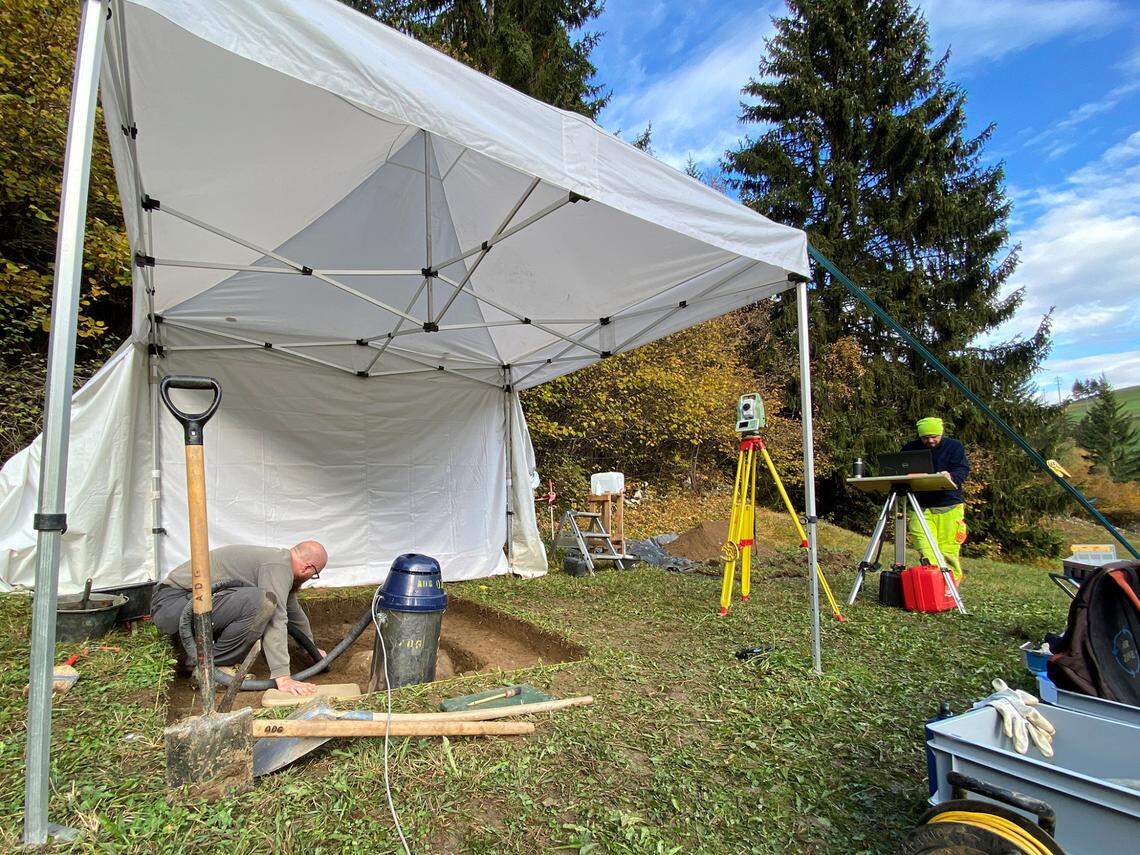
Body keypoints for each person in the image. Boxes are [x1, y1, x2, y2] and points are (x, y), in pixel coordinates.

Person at [151, 541, 328, 696]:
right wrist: (282, 677)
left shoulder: (278, 562)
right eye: (314, 575)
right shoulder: (278, 566)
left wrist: (311, 650)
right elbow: (277, 619)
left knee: (262, 601)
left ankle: (207, 657)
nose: (310, 578)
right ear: (307, 568)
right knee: (261, 603)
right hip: (173, 606)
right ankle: (212, 665)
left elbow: (292, 611)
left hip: (178, 604)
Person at [901, 417, 969, 582]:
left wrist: (950, 476)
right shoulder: (910, 448)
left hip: (949, 505)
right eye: (925, 437)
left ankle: (951, 585)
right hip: (920, 505)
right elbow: (900, 468)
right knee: (924, 545)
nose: (930, 441)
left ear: (941, 433)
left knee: (948, 550)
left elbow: (962, 469)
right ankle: (935, 582)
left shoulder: (954, 447)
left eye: (934, 437)